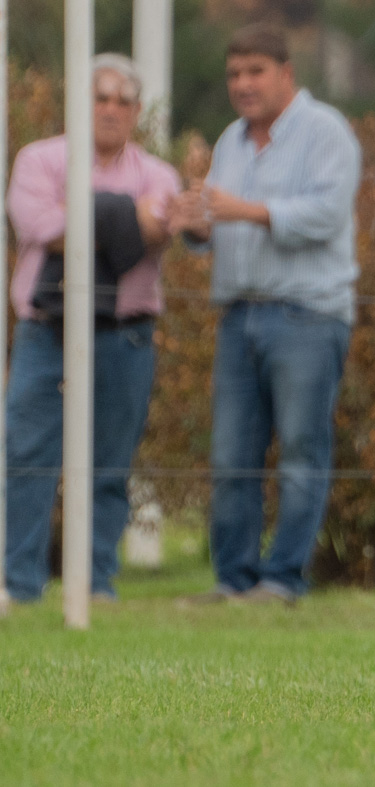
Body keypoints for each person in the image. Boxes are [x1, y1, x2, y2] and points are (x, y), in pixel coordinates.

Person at [170, 24, 361, 605]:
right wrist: (198, 227)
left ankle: (283, 580)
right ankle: (233, 579)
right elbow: (221, 222)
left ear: (286, 73)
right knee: (230, 456)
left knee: (302, 452)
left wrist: (244, 210)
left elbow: (326, 215)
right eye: (234, 74)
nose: (243, 84)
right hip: (238, 315)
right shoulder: (230, 140)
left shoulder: (326, 131)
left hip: (307, 314)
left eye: (255, 71)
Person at [4, 56, 180, 604]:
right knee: (28, 457)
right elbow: (38, 226)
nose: (109, 109)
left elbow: (165, 224)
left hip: (125, 335)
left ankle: (96, 582)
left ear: (135, 111)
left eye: (121, 101)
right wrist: (128, 218)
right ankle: (20, 584)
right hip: (45, 332)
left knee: (108, 464)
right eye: (98, 98)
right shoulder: (39, 159)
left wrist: (80, 215)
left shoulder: (158, 172)